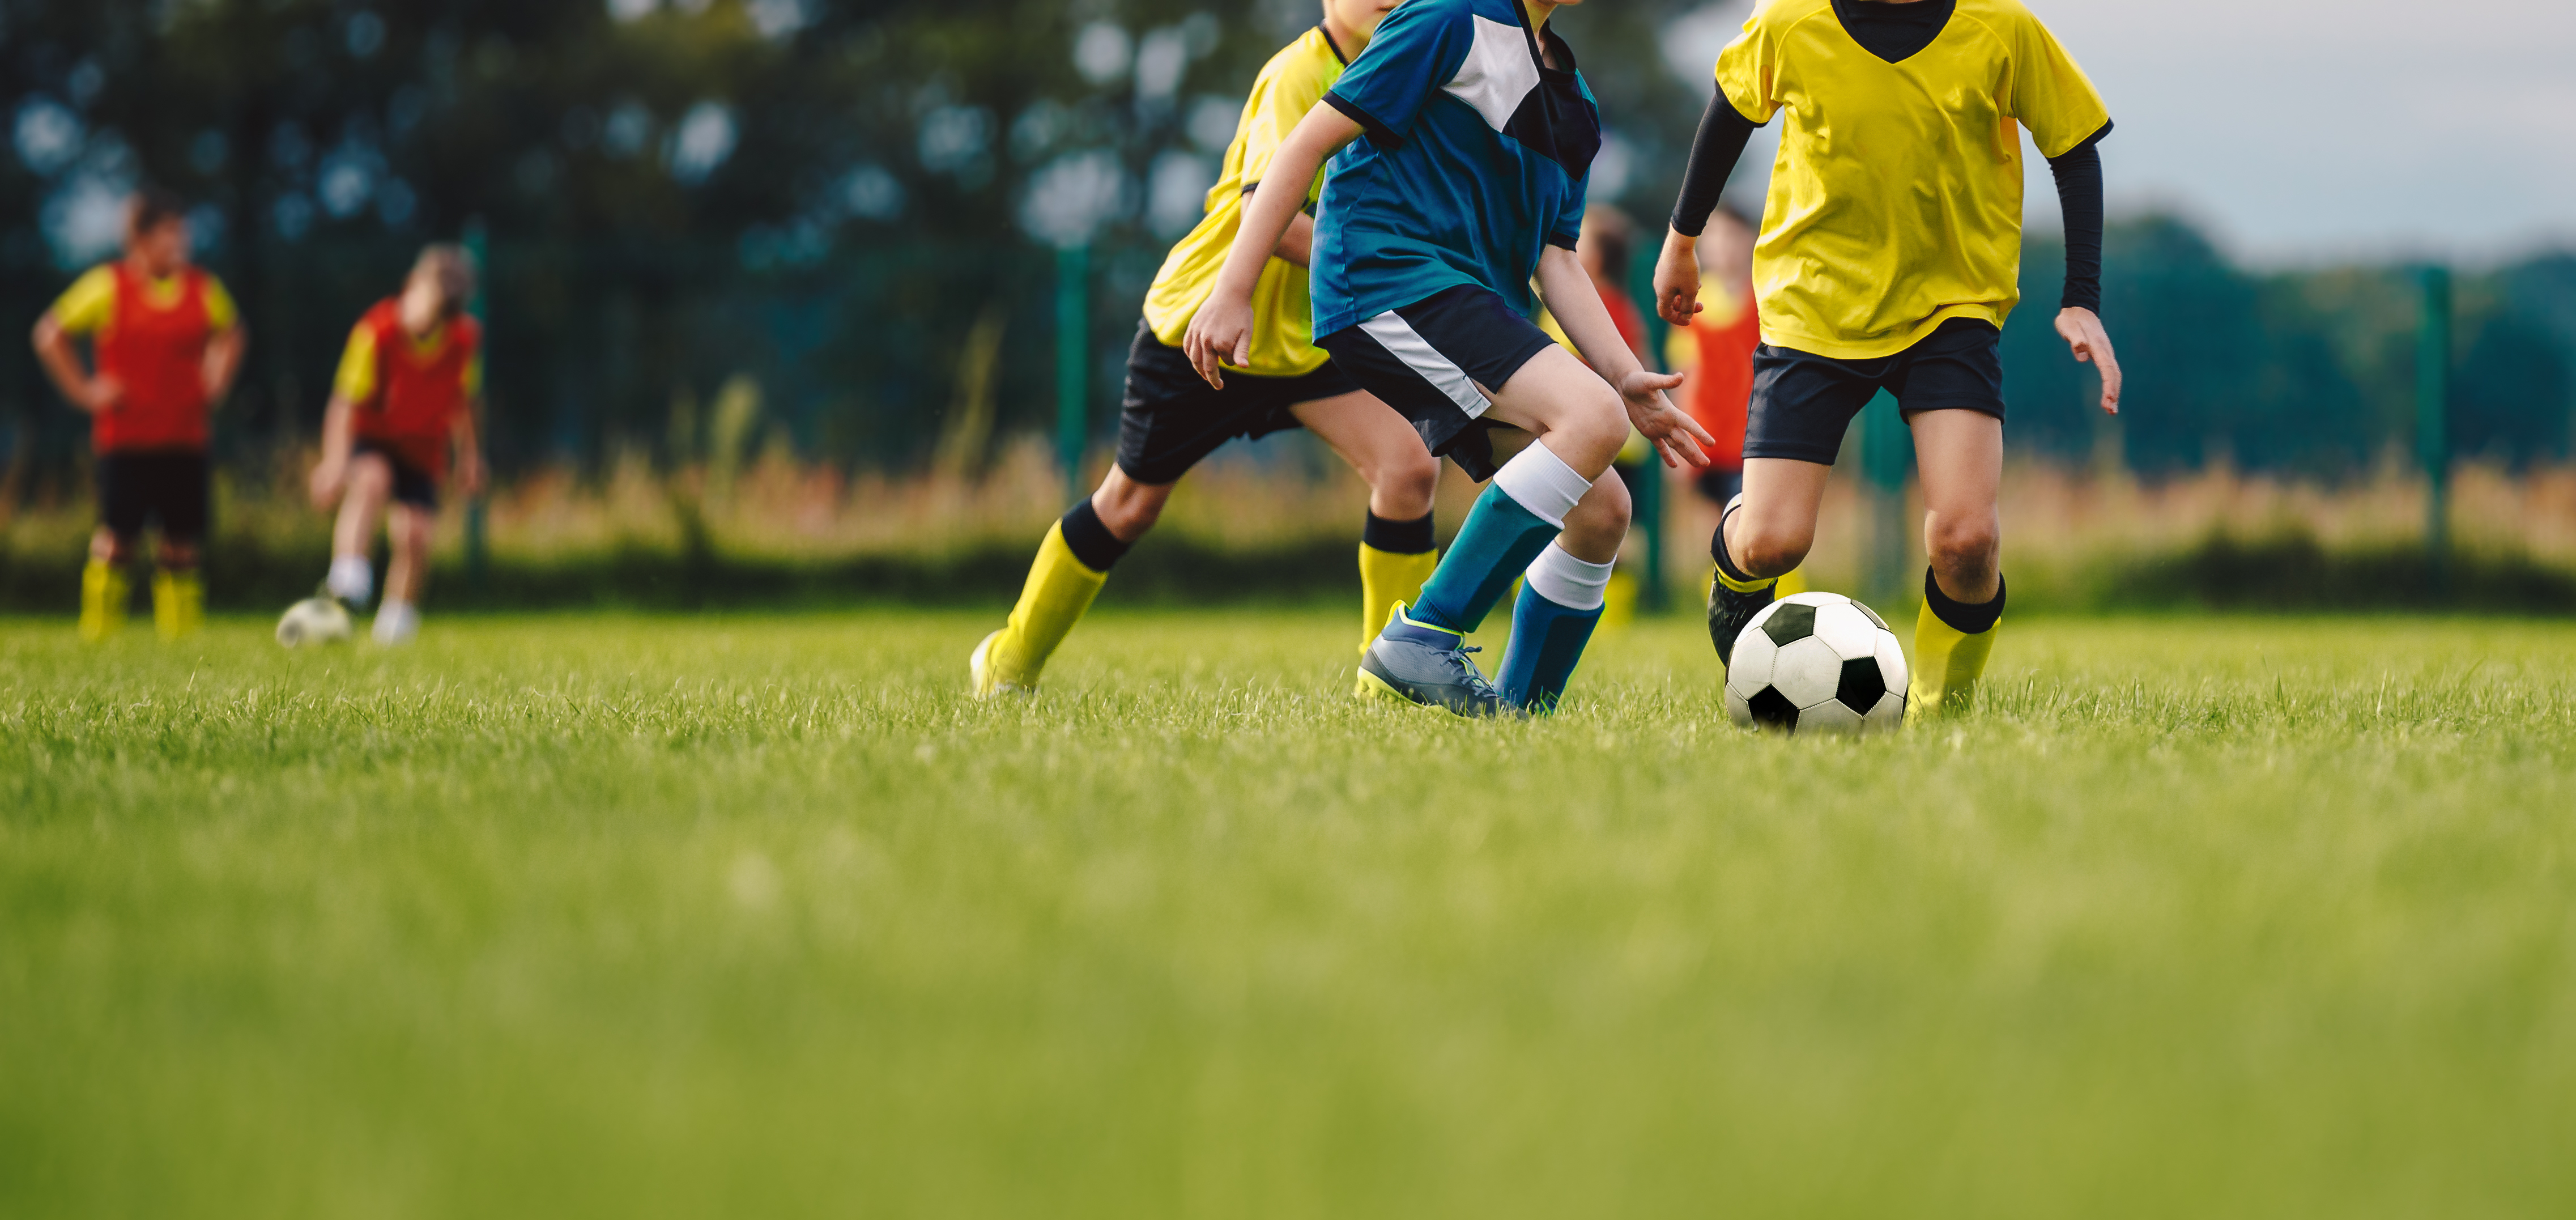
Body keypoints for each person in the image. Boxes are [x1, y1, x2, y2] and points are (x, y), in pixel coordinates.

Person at [1187, 0, 1715, 716]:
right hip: (1383, 276)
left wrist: (1627, 380)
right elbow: (1303, 145)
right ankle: (1423, 634)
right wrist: (1232, 289)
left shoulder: (1576, 105)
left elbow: (1555, 258)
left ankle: (1520, 713)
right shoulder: (1447, 17)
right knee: (1589, 419)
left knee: (1602, 510)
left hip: (1464, 302)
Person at [1654, 0, 2121, 720]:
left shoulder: (2000, 26)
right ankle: (1734, 558)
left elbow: (2073, 145)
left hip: (1951, 309)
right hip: (1813, 309)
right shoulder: (1790, 19)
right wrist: (1681, 242)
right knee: (1773, 542)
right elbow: (1730, 108)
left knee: (1966, 539)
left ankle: (1937, 717)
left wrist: (2080, 296)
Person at [972, 0, 1442, 699]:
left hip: (1312, 336)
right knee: (1128, 504)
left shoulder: (1406, 77)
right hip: (1210, 325)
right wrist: (1391, 269)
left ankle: (1386, 692)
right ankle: (1008, 663)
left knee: (1407, 469)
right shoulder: (1297, 74)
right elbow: (1269, 217)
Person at [31, 186, 246, 643]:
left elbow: (231, 334)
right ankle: (99, 633)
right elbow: (50, 334)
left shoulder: (201, 289)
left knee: (182, 542)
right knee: (117, 538)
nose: (180, 245)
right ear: (141, 239)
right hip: (124, 438)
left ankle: (182, 640)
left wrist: (217, 380)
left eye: (182, 235)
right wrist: (85, 391)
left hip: (185, 436)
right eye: (170, 235)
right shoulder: (109, 286)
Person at [306, 245, 487, 645]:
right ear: (412, 285)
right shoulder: (377, 331)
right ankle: (349, 582)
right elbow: (344, 403)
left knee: (416, 534)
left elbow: (464, 402)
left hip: (423, 445)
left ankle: (396, 626)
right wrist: (335, 462)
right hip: (374, 435)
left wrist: (471, 457)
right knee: (371, 480)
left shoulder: (463, 340)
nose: (431, 318)